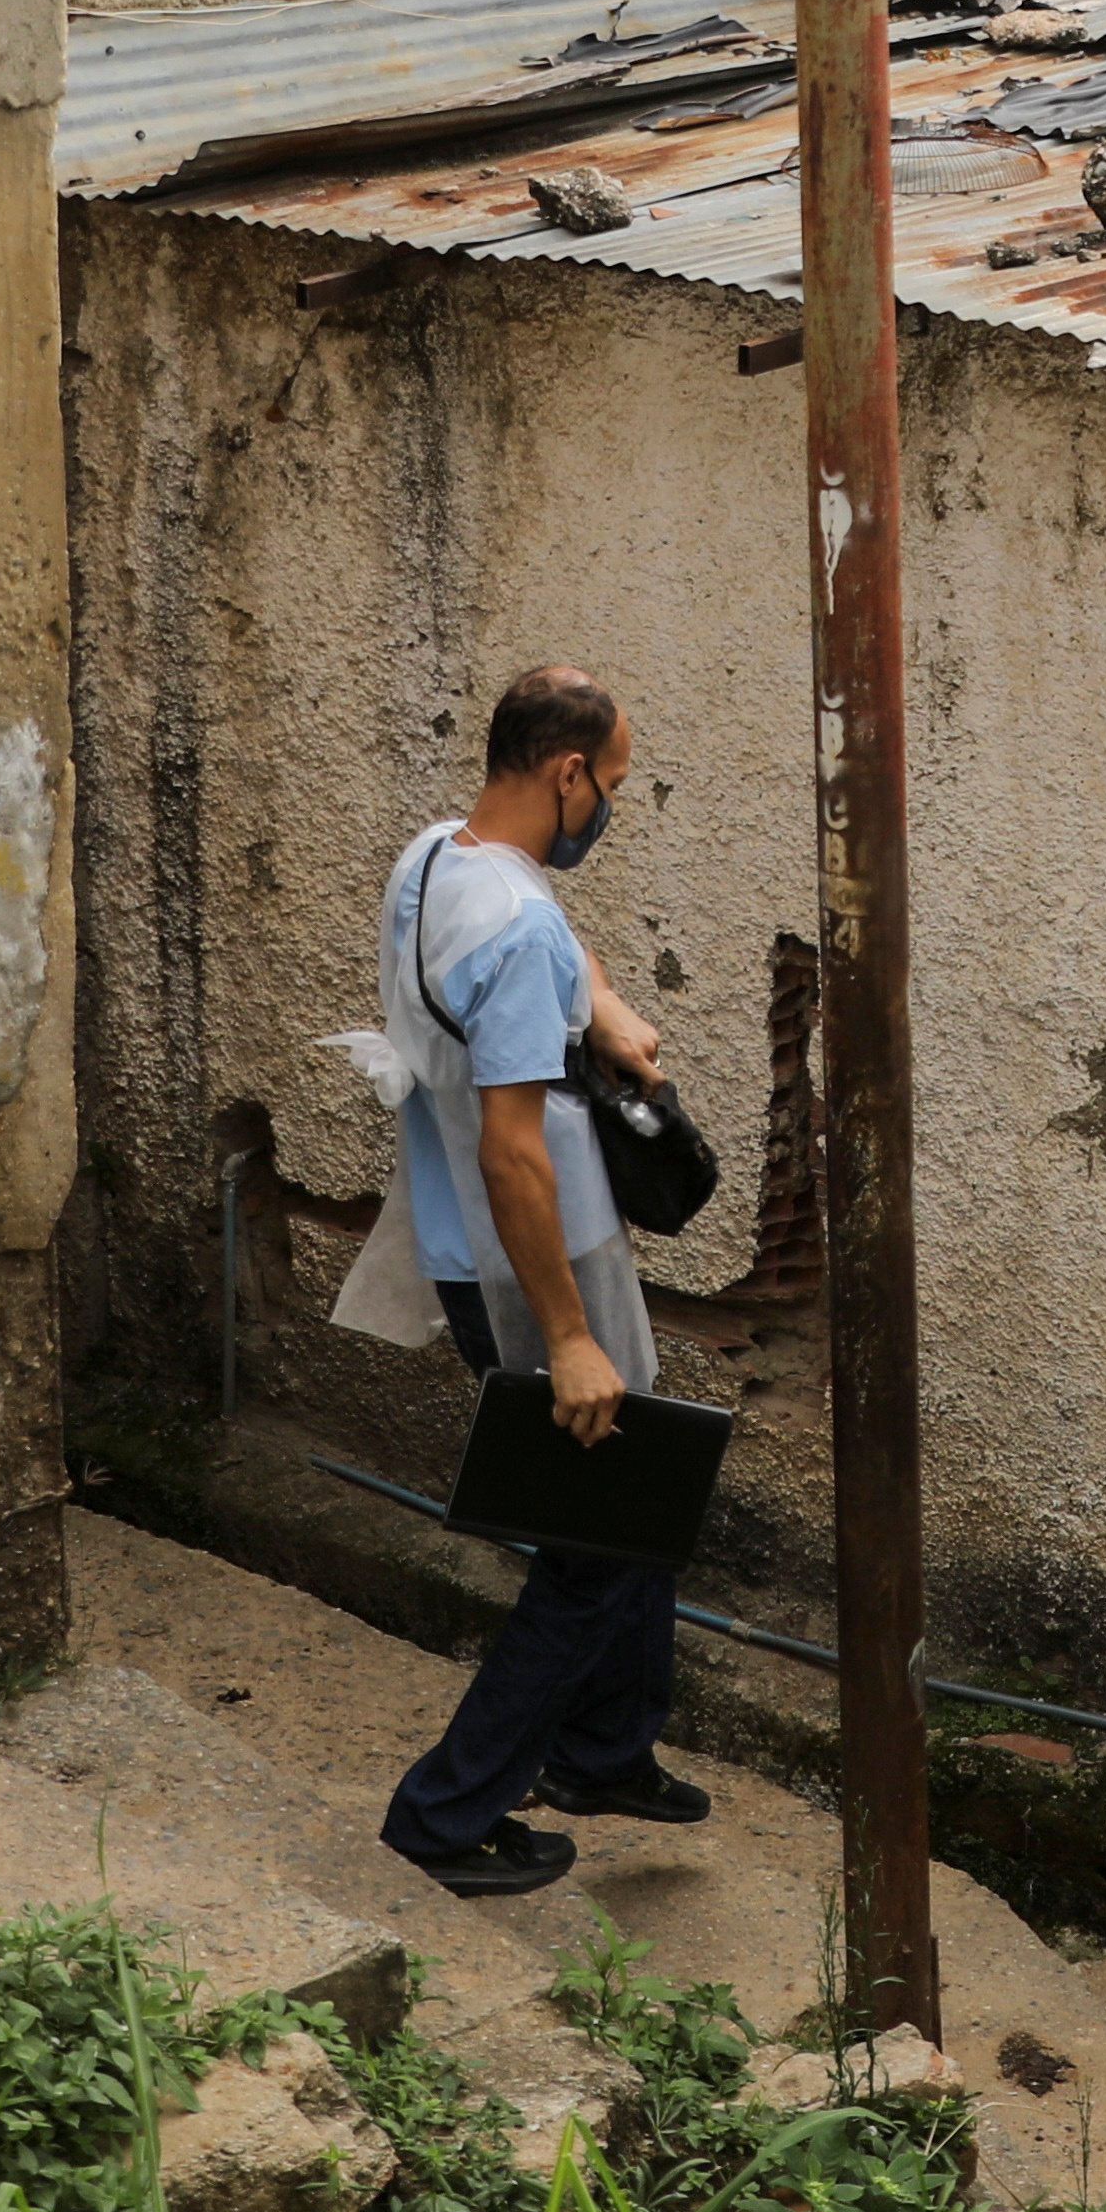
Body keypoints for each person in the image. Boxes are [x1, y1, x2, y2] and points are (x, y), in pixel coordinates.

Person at [358, 666, 709, 1895]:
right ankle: (444, 1817)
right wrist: (568, 1337)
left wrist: (603, 1007)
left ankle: (609, 1748)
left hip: (489, 1243)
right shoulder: (509, 931)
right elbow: (513, 1150)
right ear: (567, 774)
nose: (610, 806)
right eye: (610, 785)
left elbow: (554, 936)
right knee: (595, 1550)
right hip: (530, 1262)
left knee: (640, 1494)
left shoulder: (441, 862)